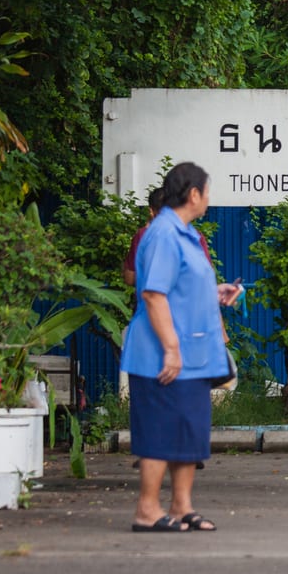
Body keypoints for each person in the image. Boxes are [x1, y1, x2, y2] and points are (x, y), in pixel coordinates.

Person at [120, 162, 241, 532]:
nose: (209, 198)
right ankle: (147, 510)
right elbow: (154, 294)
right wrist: (171, 348)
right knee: (160, 431)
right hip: (163, 354)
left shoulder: (186, 234)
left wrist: (216, 292)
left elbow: (179, 285)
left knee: (189, 429)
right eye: (207, 191)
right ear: (193, 194)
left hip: (194, 355)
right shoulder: (163, 234)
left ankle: (181, 506)